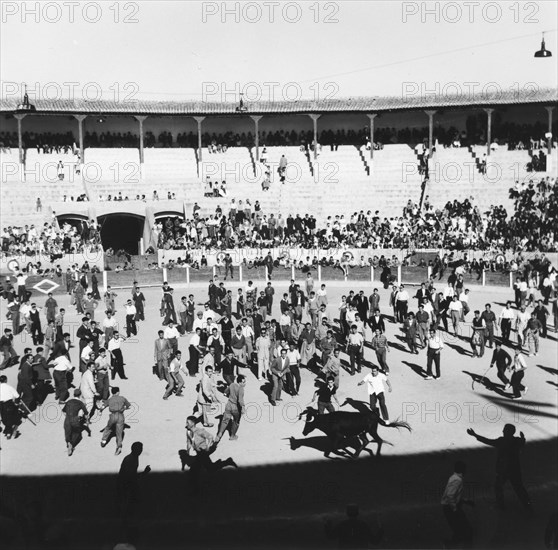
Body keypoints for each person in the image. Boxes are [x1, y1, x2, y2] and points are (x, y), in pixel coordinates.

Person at [467, 424, 532, 512]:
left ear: (508, 432)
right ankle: (528, 507)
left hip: (503, 470)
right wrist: (523, 437)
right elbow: (522, 442)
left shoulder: (501, 441)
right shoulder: (516, 440)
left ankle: (501, 505)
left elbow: (487, 441)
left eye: (504, 430)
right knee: (519, 488)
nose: (503, 431)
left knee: (498, 487)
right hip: (514, 470)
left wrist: (475, 435)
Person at [441, 461, 474, 548]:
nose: (466, 471)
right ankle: (448, 545)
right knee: (466, 530)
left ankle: (448, 545)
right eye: (465, 469)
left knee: (460, 530)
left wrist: (466, 501)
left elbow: (454, 495)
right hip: (450, 508)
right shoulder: (457, 480)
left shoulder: (454, 477)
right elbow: (450, 496)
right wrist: (455, 510)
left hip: (450, 507)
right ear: (462, 470)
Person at [117, 441, 151, 521]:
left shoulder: (134, 457)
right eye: (139, 449)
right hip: (126, 484)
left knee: (130, 502)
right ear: (134, 449)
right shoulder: (130, 459)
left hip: (128, 483)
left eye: (141, 449)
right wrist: (144, 473)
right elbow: (131, 476)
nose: (141, 451)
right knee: (129, 503)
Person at [100, 386, 131, 455]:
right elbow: (128, 406)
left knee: (108, 428)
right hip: (120, 416)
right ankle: (119, 446)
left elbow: (103, 406)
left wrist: (100, 410)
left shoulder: (110, 399)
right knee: (119, 433)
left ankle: (103, 441)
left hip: (113, 416)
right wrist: (124, 408)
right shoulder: (122, 398)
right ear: (117, 392)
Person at [216, 374, 246, 442]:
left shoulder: (232, 384)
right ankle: (232, 436)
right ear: (240, 382)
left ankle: (220, 433)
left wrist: (225, 393)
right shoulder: (241, 389)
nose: (244, 384)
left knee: (224, 421)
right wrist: (243, 407)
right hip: (236, 407)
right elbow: (240, 400)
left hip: (229, 404)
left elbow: (226, 390)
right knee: (236, 421)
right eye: (243, 382)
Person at [62, 389, 90, 456]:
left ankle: (68, 442)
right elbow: (86, 414)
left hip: (67, 419)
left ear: (73, 394)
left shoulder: (69, 401)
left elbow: (63, 411)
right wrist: (87, 421)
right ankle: (71, 444)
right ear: (80, 395)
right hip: (75, 419)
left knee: (67, 433)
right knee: (77, 433)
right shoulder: (80, 403)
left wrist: (67, 416)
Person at [0, 375, 23, 439]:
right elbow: (17, 396)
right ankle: (9, 432)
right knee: (10, 417)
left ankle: (7, 430)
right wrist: (17, 403)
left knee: (4, 417)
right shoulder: (9, 387)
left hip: (1, 405)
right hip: (9, 404)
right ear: (6, 380)